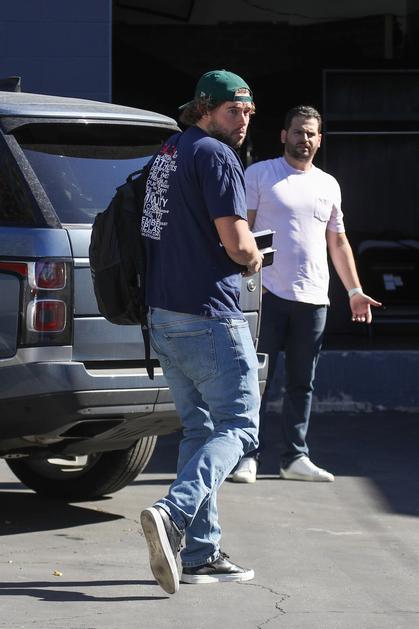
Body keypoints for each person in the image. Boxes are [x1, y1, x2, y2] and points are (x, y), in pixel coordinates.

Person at [139, 70, 264, 594]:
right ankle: (174, 512)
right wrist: (254, 256)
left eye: (249, 112)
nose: (243, 120)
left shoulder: (168, 153)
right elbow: (237, 243)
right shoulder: (216, 155)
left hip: (164, 315)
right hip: (208, 315)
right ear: (205, 108)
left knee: (200, 430)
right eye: (234, 110)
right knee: (240, 427)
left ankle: (199, 554)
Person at [232, 105, 381, 484]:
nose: (304, 139)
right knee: (256, 380)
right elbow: (241, 230)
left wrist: (355, 290)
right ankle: (246, 456)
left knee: (302, 382)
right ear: (284, 135)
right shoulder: (260, 174)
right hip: (266, 295)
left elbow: (338, 242)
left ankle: (294, 458)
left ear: (319, 140)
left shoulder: (328, 184)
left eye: (311, 133)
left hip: (314, 299)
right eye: (298, 131)